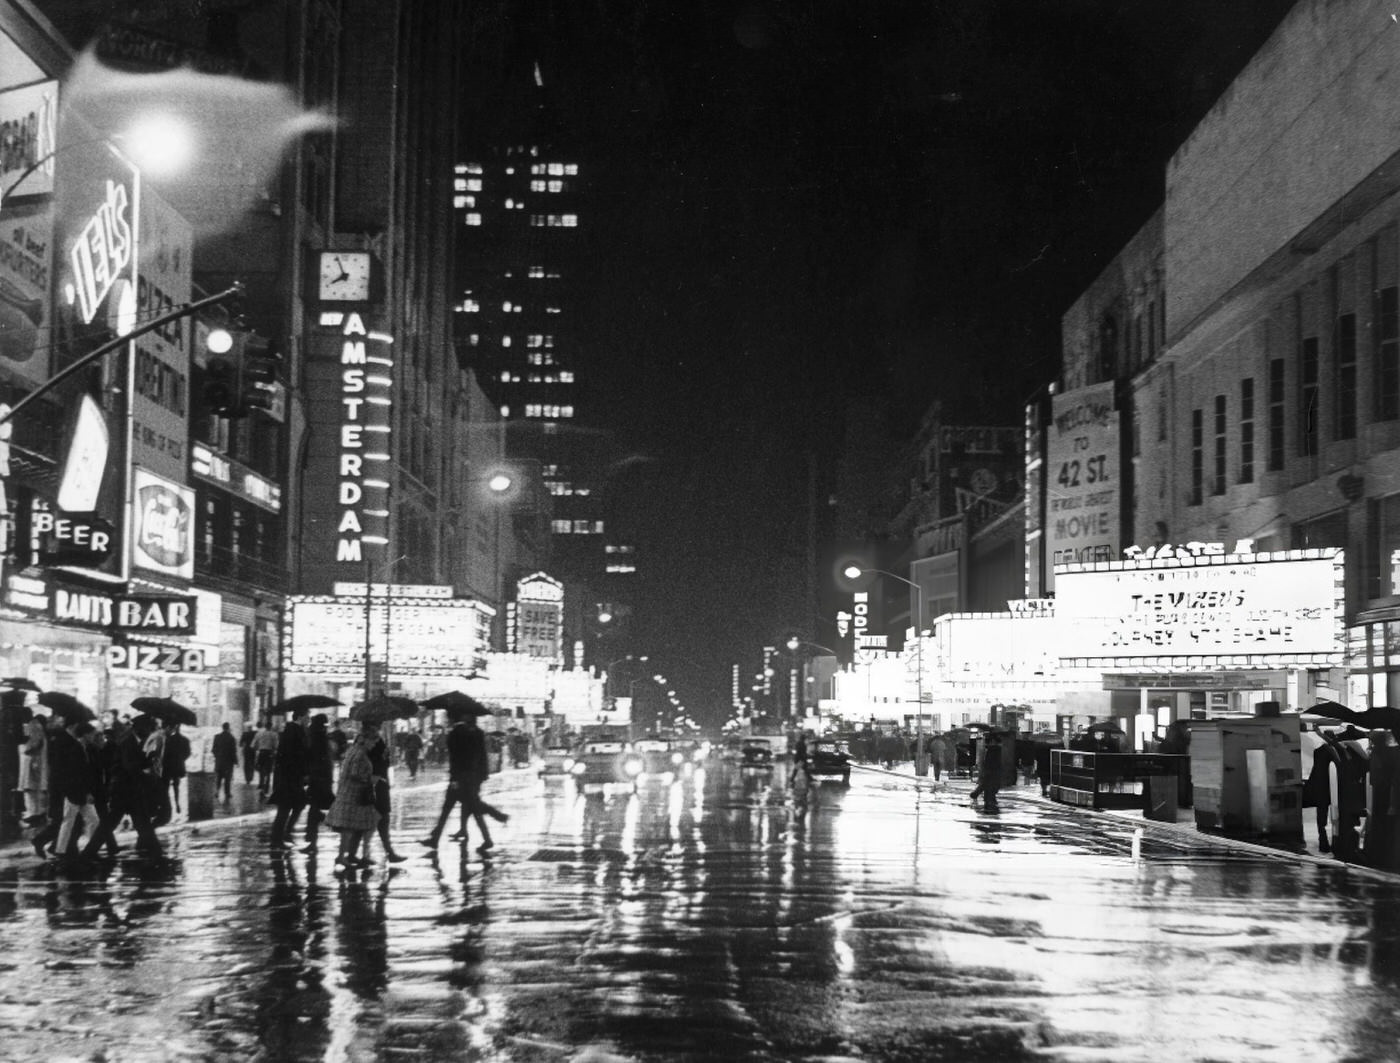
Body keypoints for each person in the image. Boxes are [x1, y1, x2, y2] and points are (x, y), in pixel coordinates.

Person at [419, 708, 509, 854]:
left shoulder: (456, 733)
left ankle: (491, 830)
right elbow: (481, 756)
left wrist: (454, 778)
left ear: (452, 719)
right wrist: (482, 774)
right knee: (470, 807)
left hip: (460, 778)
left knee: (453, 808)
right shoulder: (478, 732)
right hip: (473, 777)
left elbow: (456, 758)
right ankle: (437, 838)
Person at [84, 715, 162, 859]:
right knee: (110, 824)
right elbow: (130, 766)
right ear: (138, 728)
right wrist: (144, 770)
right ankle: (88, 853)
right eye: (146, 727)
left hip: (132, 791)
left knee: (141, 823)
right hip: (123, 791)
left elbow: (138, 763)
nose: (148, 731)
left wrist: (148, 760)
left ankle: (156, 852)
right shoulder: (128, 743)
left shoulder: (139, 742)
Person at [327, 722, 381, 869]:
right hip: (354, 794)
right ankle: (343, 856)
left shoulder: (353, 751)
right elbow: (355, 773)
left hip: (350, 793)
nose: (374, 745)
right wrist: (370, 779)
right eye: (373, 741)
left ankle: (350, 855)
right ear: (365, 740)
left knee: (354, 826)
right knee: (349, 828)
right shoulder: (359, 754)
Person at [52, 721, 100, 866]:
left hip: (77, 792)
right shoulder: (76, 748)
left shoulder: (81, 747)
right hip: (76, 792)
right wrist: (86, 792)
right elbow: (78, 773)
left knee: (83, 821)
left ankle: (64, 851)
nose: (93, 737)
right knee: (73, 821)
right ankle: (62, 851)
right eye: (92, 734)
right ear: (85, 734)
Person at [360, 725, 406, 863]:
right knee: (379, 818)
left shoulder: (377, 740)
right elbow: (377, 762)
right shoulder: (371, 741)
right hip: (377, 784)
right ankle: (384, 852)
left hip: (380, 783)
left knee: (379, 819)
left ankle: (383, 852)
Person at [269, 705, 310, 849]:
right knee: (286, 808)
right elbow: (296, 755)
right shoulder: (294, 731)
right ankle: (278, 838)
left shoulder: (294, 730)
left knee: (295, 805)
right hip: (290, 777)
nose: (309, 719)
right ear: (300, 716)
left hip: (291, 777)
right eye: (307, 715)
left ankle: (282, 835)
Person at [302, 715, 335, 853]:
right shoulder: (323, 738)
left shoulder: (316, 738)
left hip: (318, 779)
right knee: (314, 810)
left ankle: (313, 840)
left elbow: (312, 757)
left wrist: (308, 774)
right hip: (323, 779)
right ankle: (311, 841)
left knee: (314, 810)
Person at [18, 710, 48, 825]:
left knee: (31, 791)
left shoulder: (34, 725)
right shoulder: (41, 730)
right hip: (38, 763)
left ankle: (35, 815)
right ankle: (38, 815)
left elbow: (33, 745)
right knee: (36, 790)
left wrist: (26, 748)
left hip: (33, 763)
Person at [162, 723, 191, 818]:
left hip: (168, 765)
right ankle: (177, 803)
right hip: (178, 765)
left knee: (166, 786)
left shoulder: (169, 739)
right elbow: (188, 753)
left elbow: (165, 753)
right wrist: (181, 759)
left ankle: (166, 805)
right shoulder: (185, 740)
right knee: (176, 786)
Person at [969, 734, 1004, 811]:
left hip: (990, 771)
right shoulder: (995, 750)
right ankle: (985, 798)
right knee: (990, 786)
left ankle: (978, 795)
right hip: (993, 771)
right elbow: (994, 762)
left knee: (987, 785)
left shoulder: (990, 750)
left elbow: (986, 762)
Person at [212, 723, 238, 801]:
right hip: (228, 762)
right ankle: (227, 792)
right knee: (227, 778)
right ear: (228, 728)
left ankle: (217, 791)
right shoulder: (232, 738)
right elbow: (233, 751)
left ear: (222, 728)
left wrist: (217, 756)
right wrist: (235, 761)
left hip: (219, 761)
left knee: (218, 777)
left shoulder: (217, 737)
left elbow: (213, 749)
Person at [252, 724, 278, 796]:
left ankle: (261, 785)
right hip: (269, 754)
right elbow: (276, 746)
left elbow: (253, 745)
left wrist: (258, 749)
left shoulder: (259, 734)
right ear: (271, 727)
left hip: (261, 753)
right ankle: (266, 789)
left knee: (261, 770)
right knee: (268, 771)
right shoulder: (274, 734)